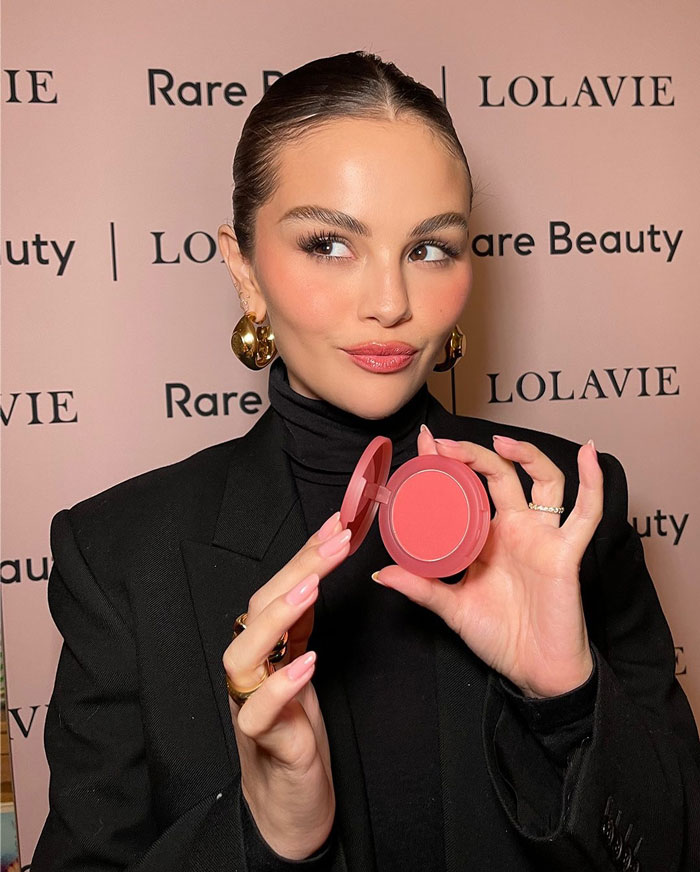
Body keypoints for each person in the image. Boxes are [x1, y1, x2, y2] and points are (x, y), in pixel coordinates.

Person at [32, 51, 699, 872]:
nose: (390, 301)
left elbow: (675, 848)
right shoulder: (123, 556)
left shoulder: (565, 511)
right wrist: (269, 833)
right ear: (244, 270)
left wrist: (567, 702)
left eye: (430, 250)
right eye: (329, 244)